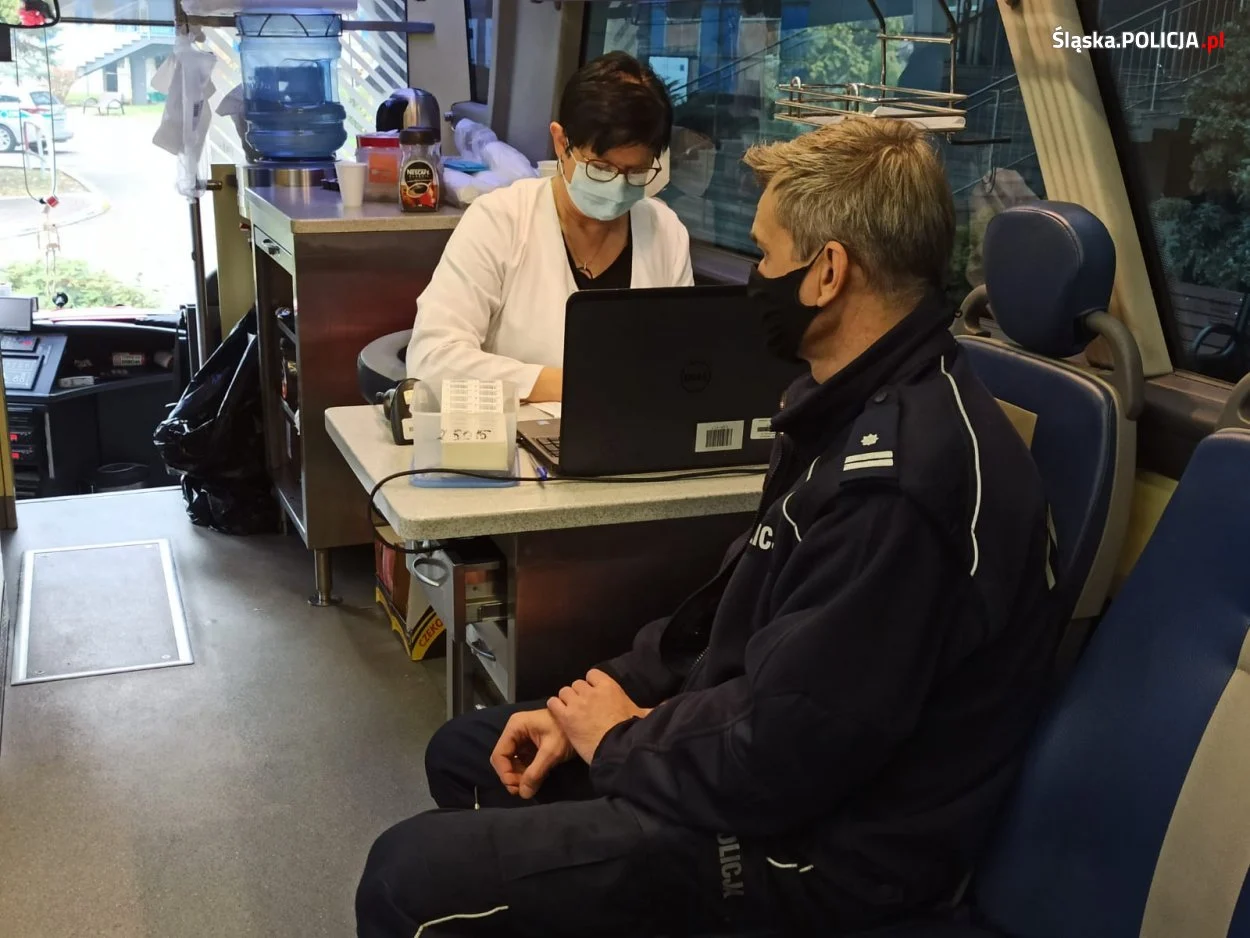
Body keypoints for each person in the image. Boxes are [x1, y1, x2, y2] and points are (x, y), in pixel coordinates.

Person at [358, 117, 1060, 937]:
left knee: (406, 880)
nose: (756, 278)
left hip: (827, 851)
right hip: (768, 748)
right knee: (469, 753)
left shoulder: (902, 487)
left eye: (766, 256)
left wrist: (620, 743)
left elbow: (784, 753)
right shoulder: (839, 405)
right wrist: (622, 690)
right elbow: (733, 615)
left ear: (828, 273)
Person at [406, 52, 693, 404]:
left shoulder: (665, 232)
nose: (619, 187)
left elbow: (685, 362)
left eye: (636, 172)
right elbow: (432, 360)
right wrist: (573, 386)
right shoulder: (500, 221)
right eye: (601, 168)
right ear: (561, 142)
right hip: (514, 433)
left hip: (632, 428)